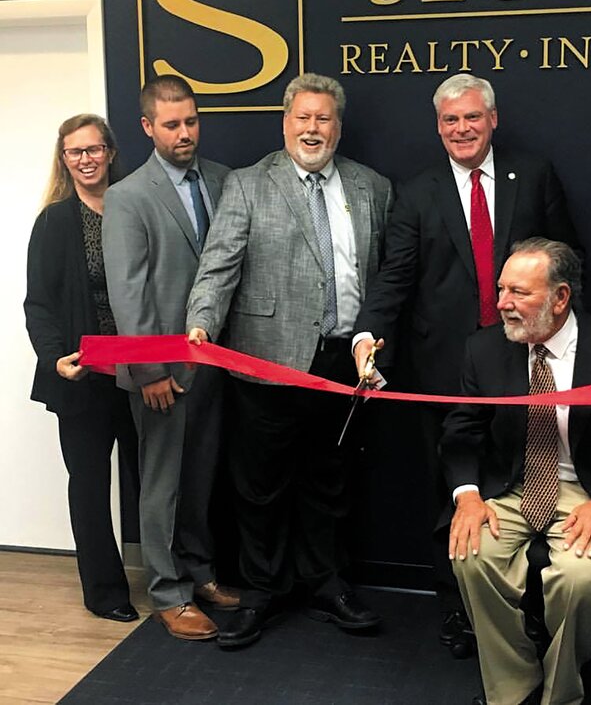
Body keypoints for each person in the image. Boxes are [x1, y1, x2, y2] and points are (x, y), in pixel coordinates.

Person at [352, 73, 580, 651]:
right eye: (450, 121)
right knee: (452, 488)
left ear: (493, 119)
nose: (462, 129)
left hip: (526, 362)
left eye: (472, 117)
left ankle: (533, 607)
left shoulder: (533, 174)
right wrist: (368, 334)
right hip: (443, 369)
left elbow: (568, 266)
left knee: (529, 482)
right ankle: (459, 609)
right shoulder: (418, 190)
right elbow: (395, 276)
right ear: (438, 127)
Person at [186, 72, 392, 649]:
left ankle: (326, 584)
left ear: (339, 127)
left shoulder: (371, 185)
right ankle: (261, 592)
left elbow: (380, 277)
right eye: (302, 117)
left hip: (342, 363)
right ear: (284, 123)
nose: (312, 128)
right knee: (260, 486)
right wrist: (202, 318)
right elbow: (218, 264)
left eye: (323, 118)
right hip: (266, 362)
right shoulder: (250, 184)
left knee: (329, 482)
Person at [443, 238, 591, 705]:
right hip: (511, 485)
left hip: (586, 489)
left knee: (582, 580)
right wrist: (466, 495)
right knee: (471, 554)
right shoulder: (483, 348)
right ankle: (513, 687)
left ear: (560, 297)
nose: (503, 304)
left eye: (519, 293)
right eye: (502, 290)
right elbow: (461, 430)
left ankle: (561, 693)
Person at [102, 75, 236, 640]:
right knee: (162, 483)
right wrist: (150, 369)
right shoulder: (128, 196)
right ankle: (166, 591)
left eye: (191, 121)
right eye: (172, 124)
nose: (185, 133)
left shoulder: (225, 180)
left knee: (201, 476)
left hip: (215, 363)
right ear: (147, 127)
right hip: (161, 372)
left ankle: (198, 572)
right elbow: (127, 290)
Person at [24, 114, 140, 622]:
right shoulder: (54, 220)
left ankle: (172, 581)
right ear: (64, 159)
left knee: (155, 481)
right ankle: (105, 592)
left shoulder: (134, 206)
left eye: (94, 149)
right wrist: (54, 358)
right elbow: (39, 304)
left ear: (111, 153)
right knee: (90, 485)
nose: (86, 159)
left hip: (139, 373)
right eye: (76, 152)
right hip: (83, 375)